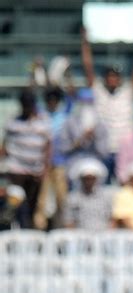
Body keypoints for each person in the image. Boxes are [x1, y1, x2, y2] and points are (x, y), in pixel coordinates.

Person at [81, 28, 133, 182]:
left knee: (125, 185)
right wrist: (85, 43)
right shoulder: (98, 91)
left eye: (115, 76)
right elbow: (88, 67)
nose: (112, 79)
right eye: (109, 76)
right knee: (102, 185)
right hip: (103, 149)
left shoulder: (128, 91)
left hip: (124, 149)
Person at [2, 89, 51, 228]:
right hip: (16, 170)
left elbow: (48, 146)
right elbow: (5, 144)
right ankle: (14, 228)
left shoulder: (43, 122)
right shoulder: (13, 122)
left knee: (32, 205)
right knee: (15, 202)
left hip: (35, 171)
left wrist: (45, 168)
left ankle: (28, 231)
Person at [34, 86, 71, 229]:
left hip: (60, 163)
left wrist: (63, 82)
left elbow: (70, 100)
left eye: (55, 100)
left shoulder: (64, 115)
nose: (52, 102)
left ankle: (62, 227)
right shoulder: (41, 115)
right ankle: (40, 228)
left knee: (62, 197)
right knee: (42, 199)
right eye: (49, 100)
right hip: (43, 164)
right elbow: (34, 95)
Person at [60, 88, 109, 177]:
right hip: (74, 163)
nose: (87, 106)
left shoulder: (100, 125)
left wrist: (95, 137)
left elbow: (104, 153)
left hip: (94, 163)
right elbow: (63, 148)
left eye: (90, 103)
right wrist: (79, 142)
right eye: (84, 102)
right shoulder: (70, 122)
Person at [64, 158, 113, 230]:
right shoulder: (72, 198)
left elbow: (112, 219)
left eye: (91, 178)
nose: (89, 181)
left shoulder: (106, 197)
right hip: (80, 236)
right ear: (81, 179)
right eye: (86, 178)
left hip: (103, 236)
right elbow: (69, 221)